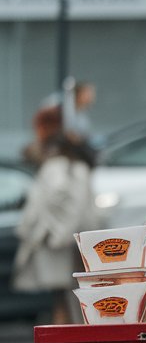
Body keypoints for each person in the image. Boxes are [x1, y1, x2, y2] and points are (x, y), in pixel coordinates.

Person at [12, 132, 102, 323]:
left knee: (63, 293)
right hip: (78, 239)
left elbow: (57, 198)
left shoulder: (57, 167)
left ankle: (65, 337)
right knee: (75, 292)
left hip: (59, 241)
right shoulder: (78, 167)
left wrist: (53, 232)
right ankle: (73, 334)